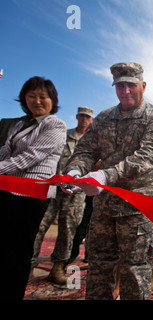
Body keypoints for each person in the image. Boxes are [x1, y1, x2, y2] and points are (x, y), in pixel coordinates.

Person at [61, 62, 153, 300]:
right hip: (105, 207)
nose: (126, 91)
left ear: (143, 85)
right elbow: (85, 150)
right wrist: (73, 172)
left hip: (140, 208)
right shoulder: (103, 118)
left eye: (131, 85)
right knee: (99, 266)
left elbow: (148, 158)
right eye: (120, 85)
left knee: (135, 270)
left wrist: (104, 175)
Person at [0, 76, 66, 299]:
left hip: (30, 194)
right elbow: (6, 152)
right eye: (31, 96)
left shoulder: (55, 124)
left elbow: (31, 157)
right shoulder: (21, 124)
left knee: (17, 250)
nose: (37, 101)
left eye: (42, 97)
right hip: (7, 188)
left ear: (52, 100)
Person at [30, 106, 94, 284]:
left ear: (92, 120)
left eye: (87, 117)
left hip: (76, 193)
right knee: (40, 225)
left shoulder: (93, 142)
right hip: (53, 189)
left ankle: (58, 267)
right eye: (81, 116)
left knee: (68, 230)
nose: (84, 119)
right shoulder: (64, 135)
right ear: (76, 116)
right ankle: (30, 265)